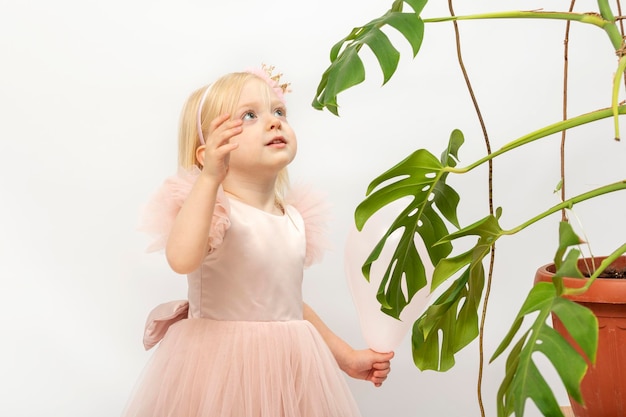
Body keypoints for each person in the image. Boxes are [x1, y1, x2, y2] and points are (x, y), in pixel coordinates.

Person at [121, 65, 394, 417]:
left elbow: (290, 306)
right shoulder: (213, 211)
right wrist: (208, 182)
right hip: (218, 368)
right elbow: (181, 258)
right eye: (249, 115)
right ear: (208, 153)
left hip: (289, 370)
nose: (274, 121)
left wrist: (345, 357)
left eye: (278, 111)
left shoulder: (294, 218)